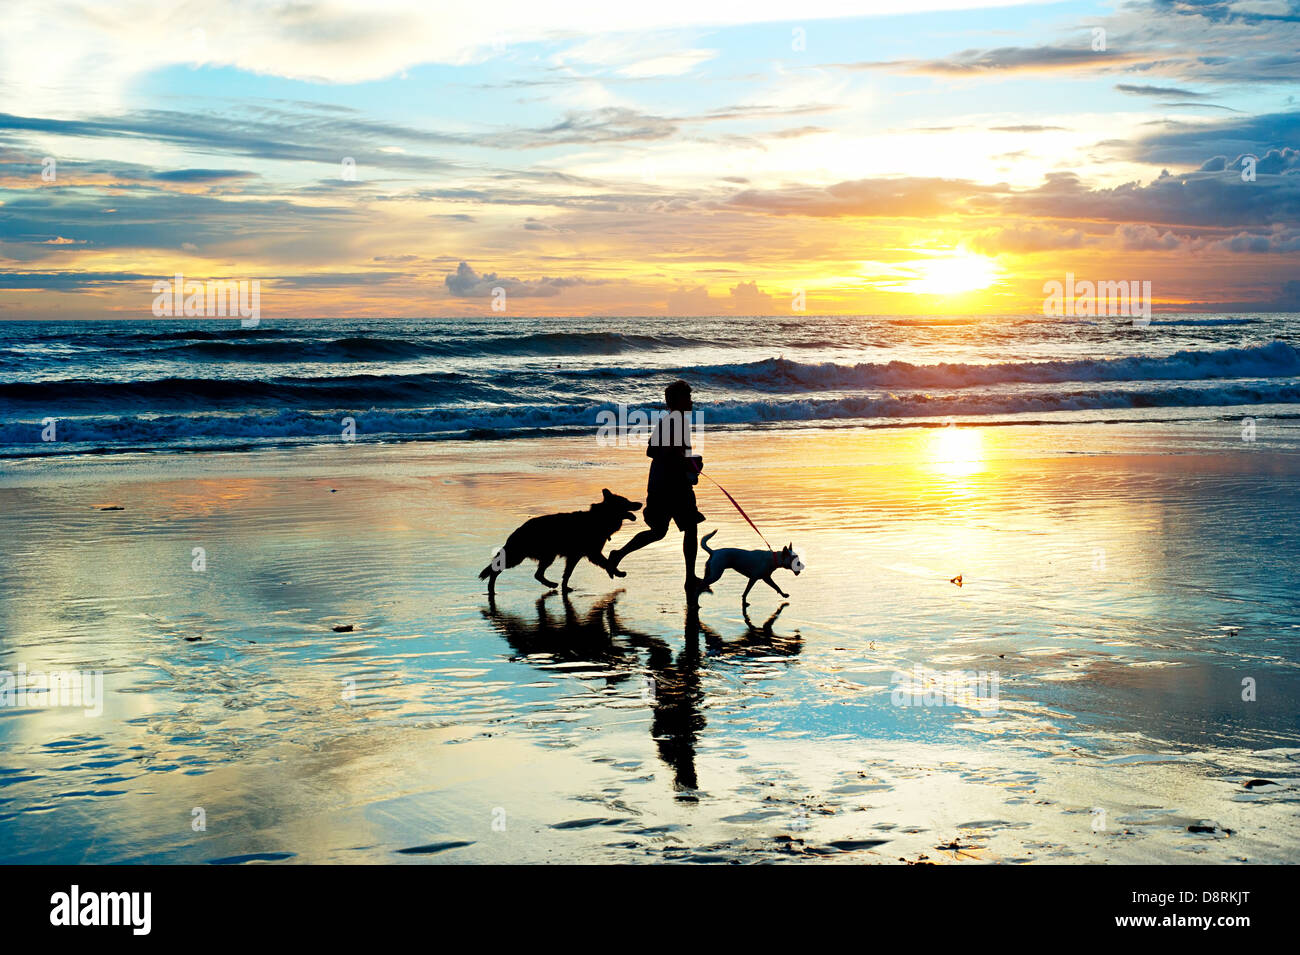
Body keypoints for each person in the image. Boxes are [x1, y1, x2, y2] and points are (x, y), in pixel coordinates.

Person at [607, 379, 704, 595]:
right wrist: (687, 462)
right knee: (689, 527)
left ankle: (618, 554)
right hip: (672, 485)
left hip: (662, 483)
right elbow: (660, 452)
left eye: (690, 396)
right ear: (676, 401)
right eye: (687, 397)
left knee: (660, 532)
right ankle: (690, 579)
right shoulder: (674, 422)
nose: (690, 401)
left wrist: (689, 462)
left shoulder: (673, 421)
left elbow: (652, 451)